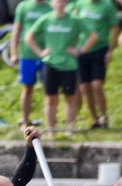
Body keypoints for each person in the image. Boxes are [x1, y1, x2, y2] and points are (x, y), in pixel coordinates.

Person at [25, 0, 97, 134]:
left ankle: (69, 129)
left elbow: (92, 36)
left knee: (70, 98)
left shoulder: (74, 20)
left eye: (63, 2)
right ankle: (51, 131)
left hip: (69, 65)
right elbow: (29, 37)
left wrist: (80, 51)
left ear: (66, 4)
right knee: (50, 98)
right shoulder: (46, 19)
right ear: (52, 3)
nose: (60, 4)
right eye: (57, 2)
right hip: (51, 63)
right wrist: (40, 52)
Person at [68, 0, 119, 129]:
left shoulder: (107, 5)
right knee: (84, 87)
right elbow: (74, 24)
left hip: (99, 48)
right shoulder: (80, 4)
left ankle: (103, 116)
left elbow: (115, 27)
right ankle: (94, 118)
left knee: (97, 85)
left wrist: (110, 50)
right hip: (81, 50)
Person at [10, 0, 52, 130]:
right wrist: (14, 53)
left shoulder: (50, 6)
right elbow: (16, 30)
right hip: (27, 54)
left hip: (47, 54)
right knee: (28, 88)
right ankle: (25, 121)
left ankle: (50, 123)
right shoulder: (23, 7)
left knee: (49, 90)